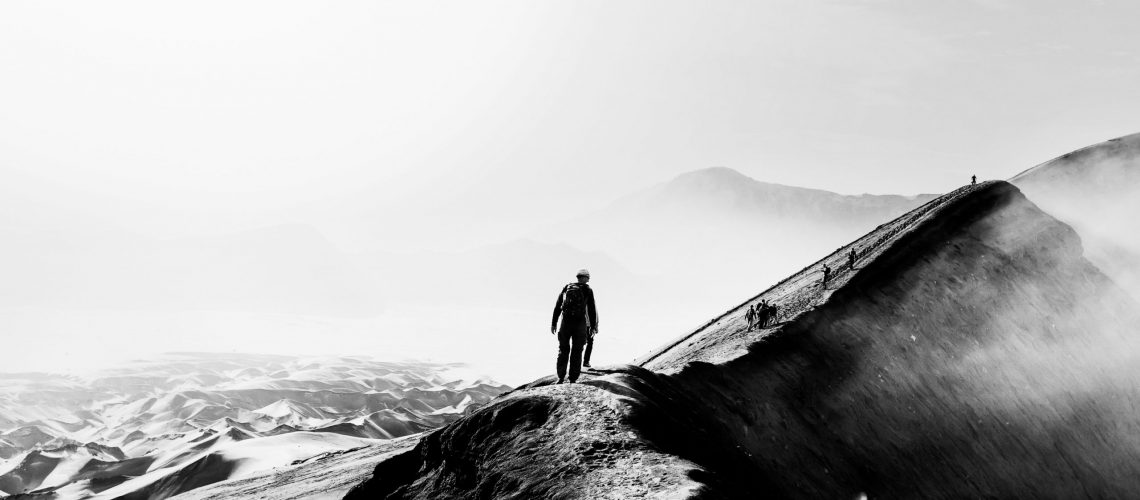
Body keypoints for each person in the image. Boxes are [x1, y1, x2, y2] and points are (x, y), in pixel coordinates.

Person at [551, 268, 598, 383]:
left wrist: (554, 323)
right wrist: (592, 326)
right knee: (577, 351)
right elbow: (591, 309)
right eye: (588, 277)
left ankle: (561, 376)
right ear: (585, 278)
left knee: (563, 349)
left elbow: (558, 305)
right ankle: (573, 378)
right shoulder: (588, 290)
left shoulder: (567, 287)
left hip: (565, 322)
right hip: (579, 323)